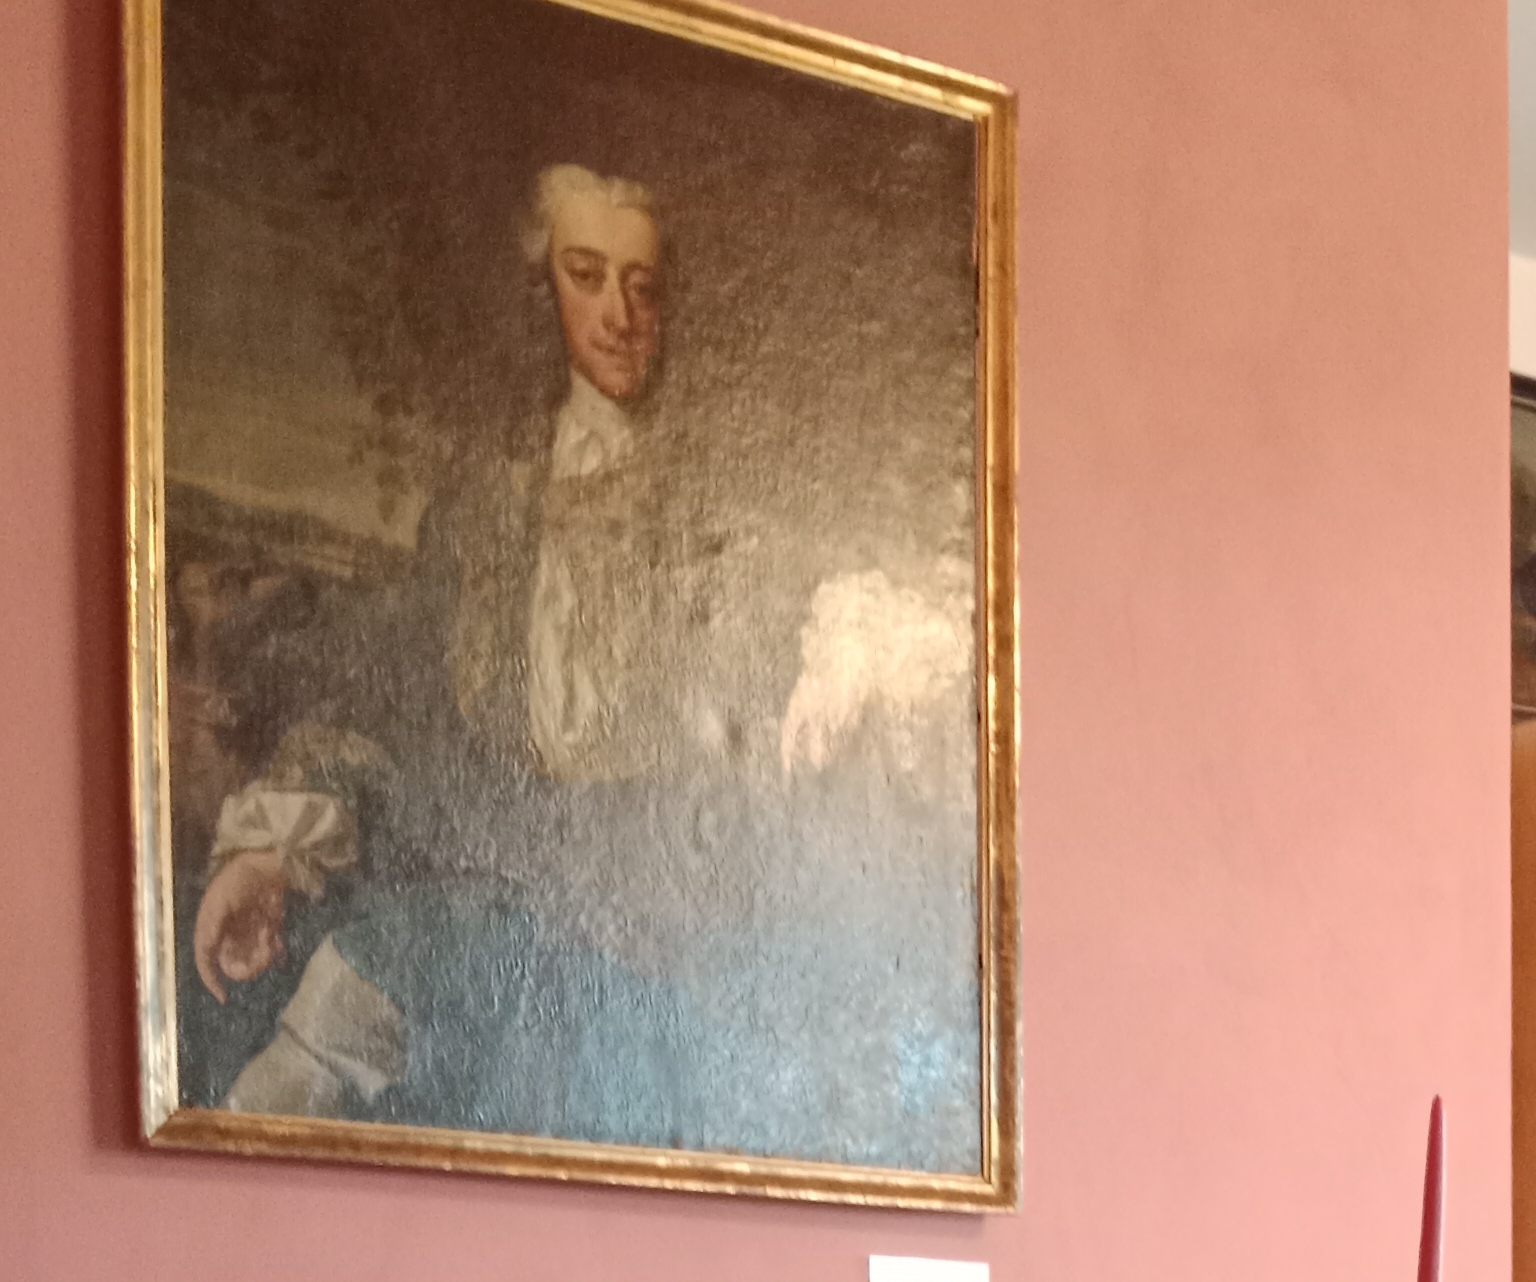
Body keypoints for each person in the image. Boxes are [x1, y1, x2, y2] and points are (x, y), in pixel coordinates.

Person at [182, 160, 974, 1157]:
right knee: (335, 1005)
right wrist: (268, 855)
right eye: (586, 276)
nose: (617, 316)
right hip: (497, 897)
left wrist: (844, 655)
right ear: (543, 287)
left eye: (643, 287)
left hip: (670, 927)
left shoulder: (728, 502)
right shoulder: (491, 500)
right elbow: (401, 696)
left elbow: (852, 633)